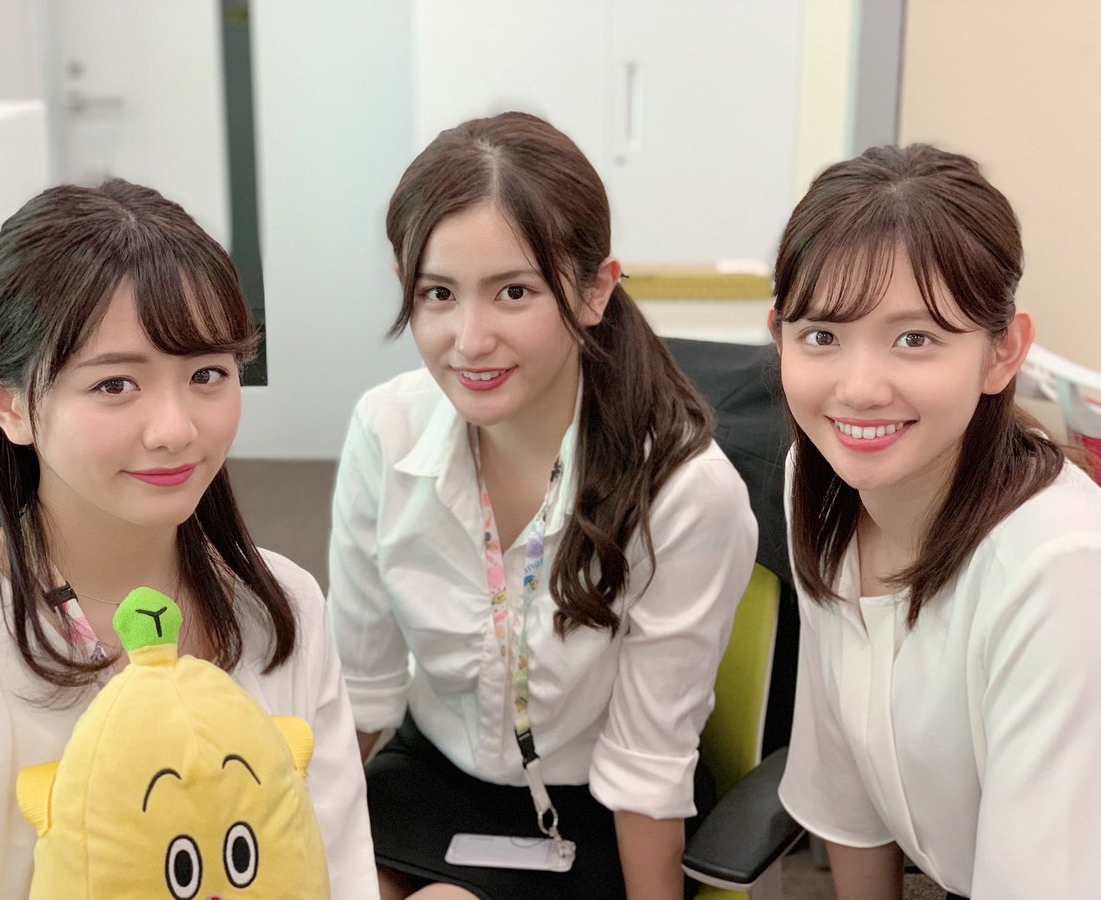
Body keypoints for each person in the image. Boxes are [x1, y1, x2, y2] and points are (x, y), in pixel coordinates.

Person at [0, 180, 379, 899]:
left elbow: (338, 877)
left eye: (208, 374)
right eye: (115, 385)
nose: (175, 429)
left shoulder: (283, 607)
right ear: (7, 402)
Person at [326, 111, 758, 900]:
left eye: (514, 292)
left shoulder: (686, 491)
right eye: (439, 293)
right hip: (433, 775)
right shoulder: (384, 432)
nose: (470, 339)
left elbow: (648, 766)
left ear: (595, 291)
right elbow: (361, 694)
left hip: (597, 808)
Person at [772, 144, 1101, 899]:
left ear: (1003, 352)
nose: (859, 389)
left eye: (915, 339)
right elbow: (847, 789)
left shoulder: (1058, 566)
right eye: (822, 336)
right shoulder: (819, 483)